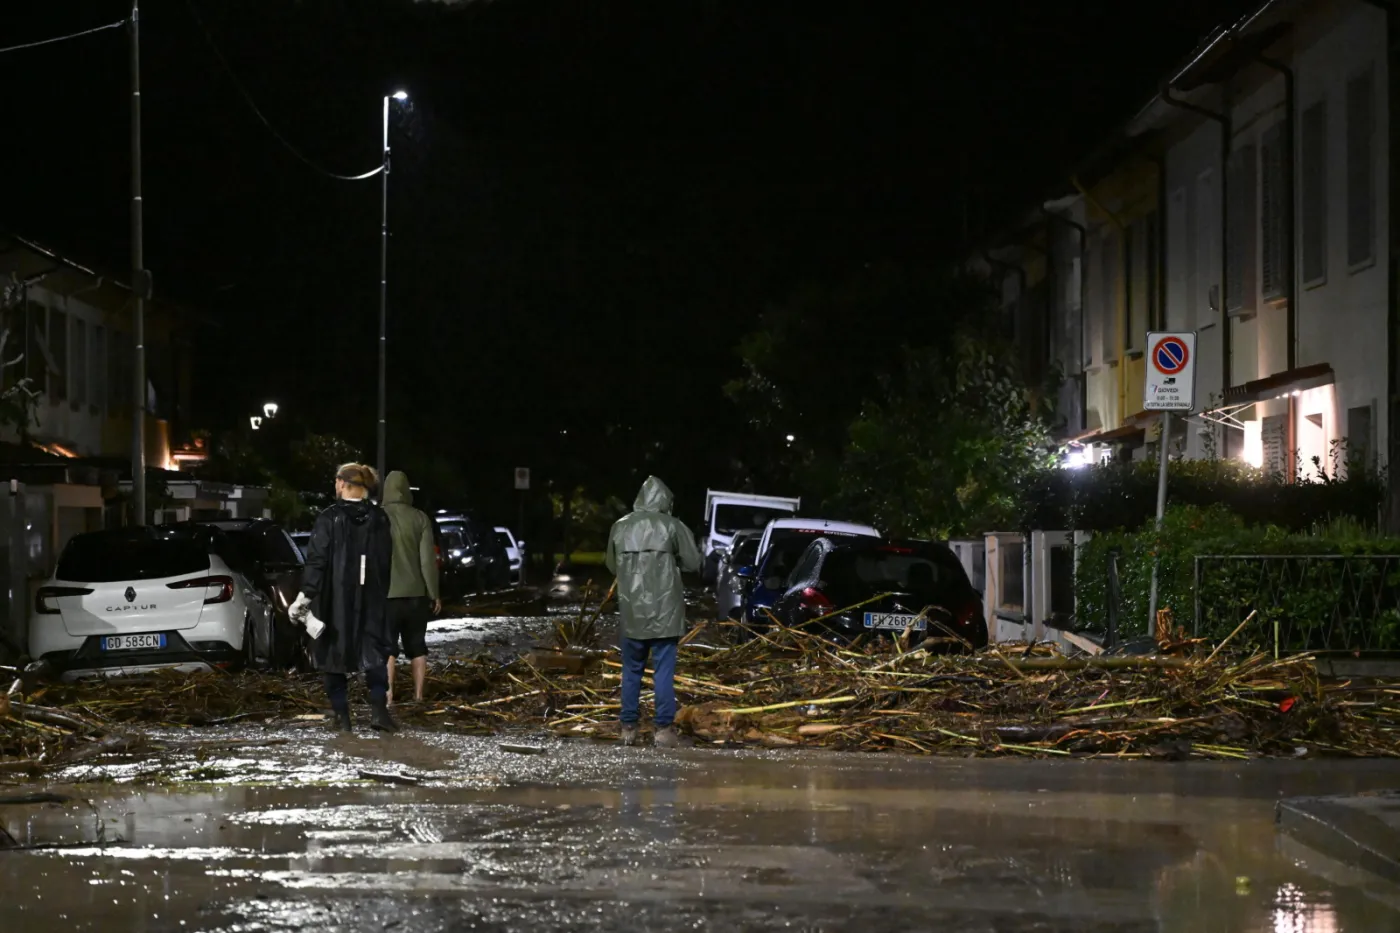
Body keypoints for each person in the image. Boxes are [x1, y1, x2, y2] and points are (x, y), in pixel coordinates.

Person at [290, 463, 397, 733]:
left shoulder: (328, 519)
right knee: (374, 653)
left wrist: (306, 595)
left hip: (333, 600)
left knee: (333, 656)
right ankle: (378, 711)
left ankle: (343, 717)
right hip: (371, 598)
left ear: (342, 483)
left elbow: (316, 560)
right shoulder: (380, 518)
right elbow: (385, 562)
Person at [605, 475, 702, 747]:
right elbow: (694, 563)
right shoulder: (673, 526)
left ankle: (628, 728)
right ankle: (662, 731)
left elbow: (612, 565)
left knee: (631, 671)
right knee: (662, 673)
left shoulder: (620, 527)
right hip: (665, 612)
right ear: (665, 501)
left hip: (632, 610)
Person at [381, 470, 441, 705]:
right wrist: (434, 593)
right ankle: (418, 695)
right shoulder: (420, 518)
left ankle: (388, 696)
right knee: (417, 646)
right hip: (416, 596)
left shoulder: (378, 517)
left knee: (387, 646)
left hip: (386, 595)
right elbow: (428, 560)